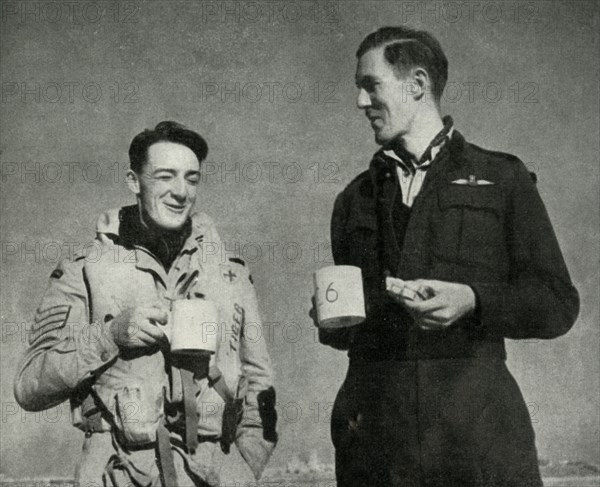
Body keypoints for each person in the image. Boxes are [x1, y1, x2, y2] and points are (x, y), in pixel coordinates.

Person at [312, 26, 579, 487]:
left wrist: (474, 300)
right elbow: (352, 331)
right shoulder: (353, 199)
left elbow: (556, 303)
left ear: (417, 84)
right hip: (375, 447)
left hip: (478, 444)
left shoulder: (503, 179)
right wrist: (332, 322)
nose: (359, 101)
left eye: (370, 85)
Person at [14, 121, 278, 487]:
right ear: (134, 182)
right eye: (165, 176)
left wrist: (246, 464)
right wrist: (109, 335)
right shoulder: (85, 270)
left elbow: (261, 384)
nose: (180, 192)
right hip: (116, 475)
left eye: (191, 178)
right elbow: (29, 386)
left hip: (217, 475)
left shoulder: (229, 273)